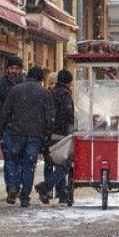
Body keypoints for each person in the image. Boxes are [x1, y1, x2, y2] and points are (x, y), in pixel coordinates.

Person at [0, 65, 54, 207]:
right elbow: (49, 117)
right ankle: (25, 196)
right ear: (41, 79)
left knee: (13, 162)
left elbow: (5, 111)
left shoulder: (16, 90)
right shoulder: (45, 93)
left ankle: (12, 187)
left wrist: (1, 129)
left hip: (16, 133)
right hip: (35, 135)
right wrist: (47, 136)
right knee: (29, 165)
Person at [35, 70, 74, 204]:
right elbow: (69, 114)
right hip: (61, 134)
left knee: (50, 162)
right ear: (69, 82)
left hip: (48, 134)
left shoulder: (49, 93)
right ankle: (47, 188)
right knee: (64, 164)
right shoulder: (66, 94)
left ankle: (54, 193)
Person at [0, 56, 24, 195]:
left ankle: (17, 185)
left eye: (16, 68)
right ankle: (11, 187)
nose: (14, 71)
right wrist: (3, 118)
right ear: (7, 68)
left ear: (20, 70)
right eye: (11, 68)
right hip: (7, 128)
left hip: (22, 127)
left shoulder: (24, 83)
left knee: (20, 158)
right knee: (9, 158)